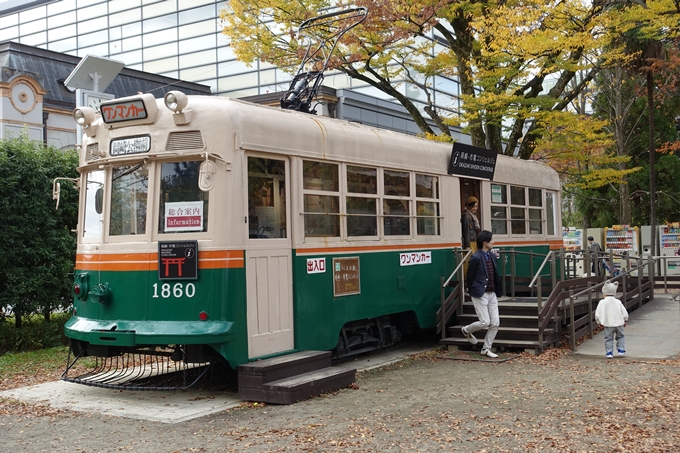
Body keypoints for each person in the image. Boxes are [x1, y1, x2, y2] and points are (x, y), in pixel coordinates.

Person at [461, 230, 503, 358]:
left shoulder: (492, 256)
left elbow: (494, 274)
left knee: (495, 323)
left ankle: (486, 348)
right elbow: (470, 276)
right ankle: (466, 330)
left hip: (492, 293)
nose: (493, 242)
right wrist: (472, 290)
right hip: (480, 293)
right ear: (485, 242)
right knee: (485, 322)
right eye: (491, 240)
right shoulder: (475, 257)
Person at [595, 280, 628, 359]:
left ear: (605, 293)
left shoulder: (602, 302)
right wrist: (625, 319)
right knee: (620, 337)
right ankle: (621, 350)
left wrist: (599, 321)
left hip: (608, 324)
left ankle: (609, 352)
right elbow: (624, 311)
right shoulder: (618, 302)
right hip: (619, 323)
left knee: (608, 338)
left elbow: (598, 313)